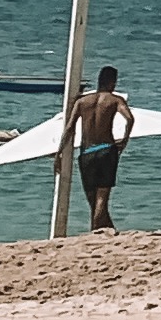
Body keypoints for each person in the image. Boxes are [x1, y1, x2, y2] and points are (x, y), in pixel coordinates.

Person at [60, 63, 136, 231]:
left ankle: (107, 230)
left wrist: (60, 152)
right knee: (102, 199)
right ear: (113, 82)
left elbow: (69, 128)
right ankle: (95, 231)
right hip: (106, 149)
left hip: (86, 152)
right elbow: (130, 119)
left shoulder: (82, 101)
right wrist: (124, 140)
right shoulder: (115, 100)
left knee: (93, 199)